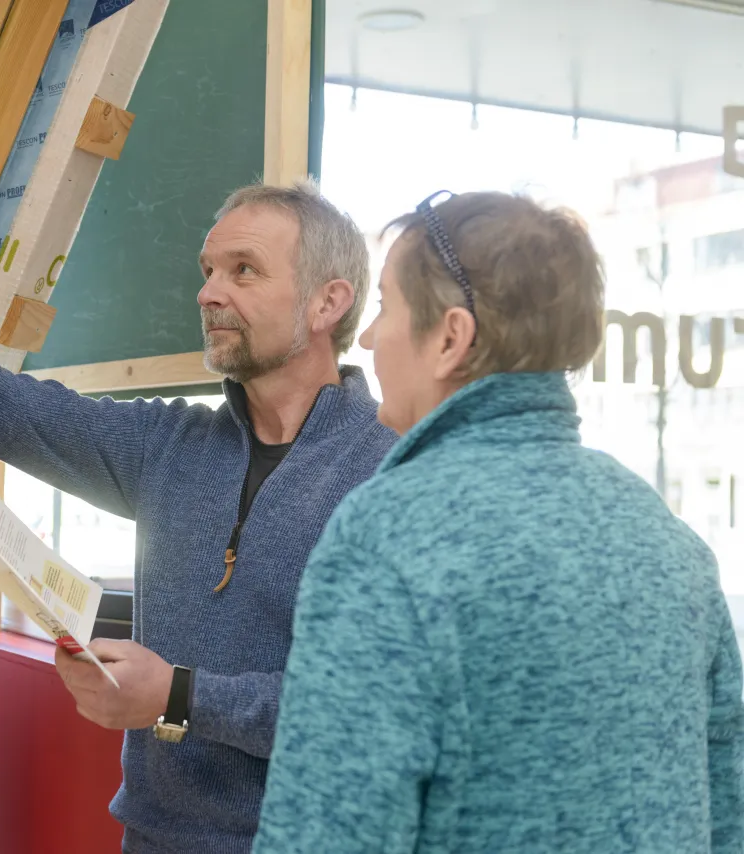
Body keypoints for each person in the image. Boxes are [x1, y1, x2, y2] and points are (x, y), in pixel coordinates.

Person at [0, 179, 398, 853]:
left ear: (329, 301)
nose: (208, 293)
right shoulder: (168, 445)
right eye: (207, 271)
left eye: (244, 270)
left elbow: (369, 712)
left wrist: (181, 695)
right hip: (152, 839)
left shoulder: (392, 476)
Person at [252, 190, 744, 853]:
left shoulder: (387, 536)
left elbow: (326, 836)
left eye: (387, 310)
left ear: (451, 338)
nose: (366, 339)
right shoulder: (668, 538)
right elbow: (728, 810)